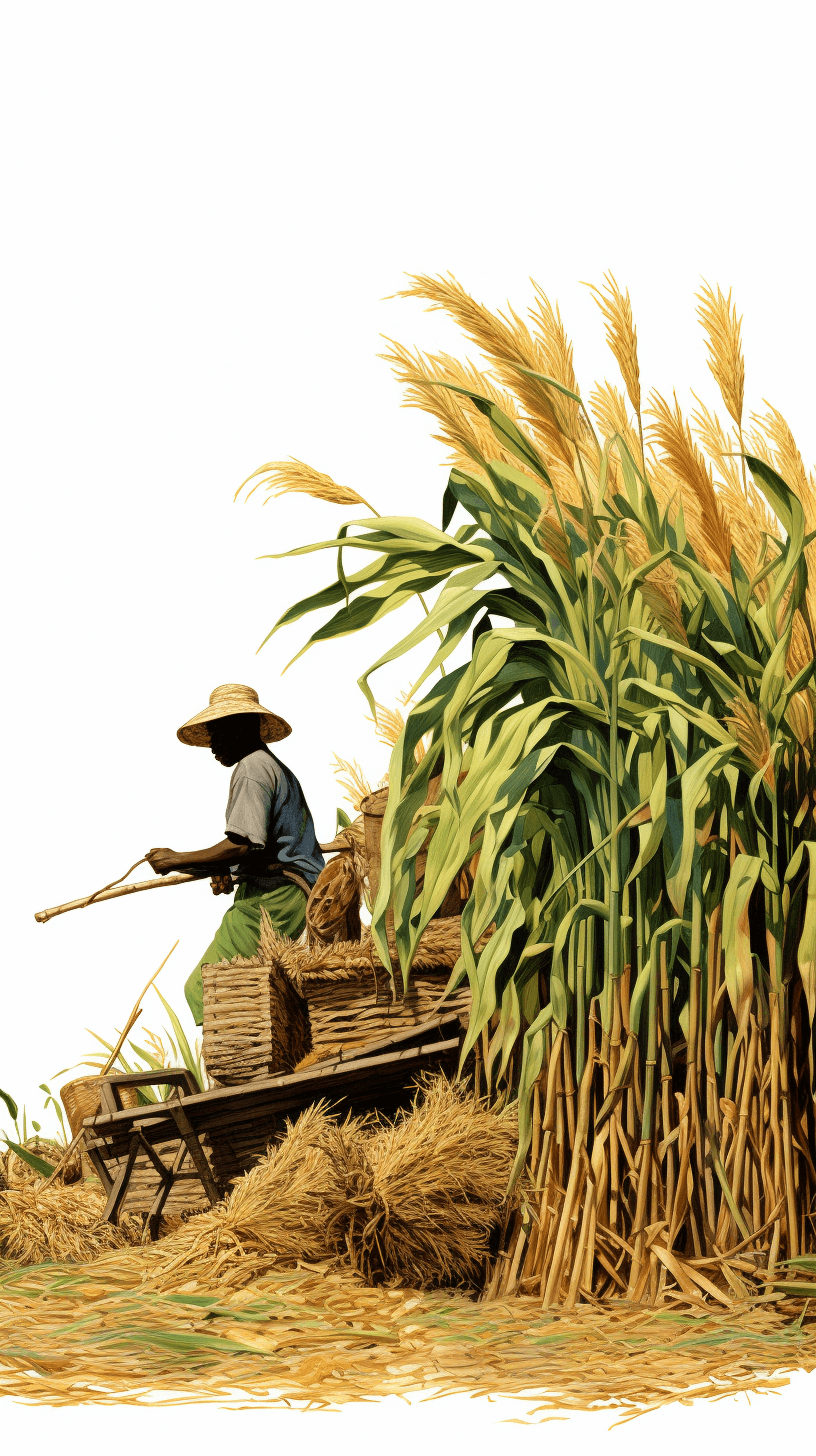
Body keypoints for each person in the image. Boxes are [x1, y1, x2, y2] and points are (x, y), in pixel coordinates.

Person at [146, 683, 324, 1025]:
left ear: (242, 727)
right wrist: (227, 869)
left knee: (206, 986)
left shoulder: (252, 770)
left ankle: (237, 1067)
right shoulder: (267, 766)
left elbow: (240, 843)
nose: (212, 744)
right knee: (255, 987)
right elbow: (255, 847)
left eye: (217, 732)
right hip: (283, 891)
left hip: (277, 896)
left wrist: (176, 859)